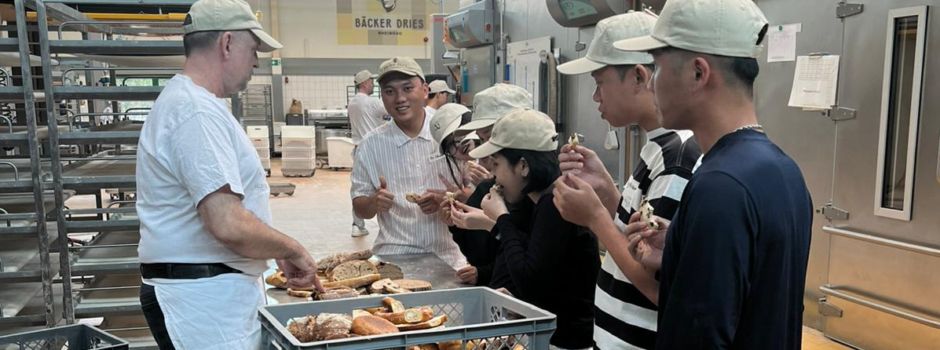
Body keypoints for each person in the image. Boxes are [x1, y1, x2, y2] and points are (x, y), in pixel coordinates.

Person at [614, 0, 812, 348]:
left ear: (698, 73)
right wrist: (679, 249)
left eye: (657, 67)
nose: (651, 84)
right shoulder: (783, 171)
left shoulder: (719, 187)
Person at [135, 0, 323, 349]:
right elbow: (227, 222)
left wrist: (269, 250)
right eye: (253, 50)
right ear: (226, 43)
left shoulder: (194, 103)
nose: (256, 61)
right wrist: (292, 248)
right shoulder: (195, 111)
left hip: (207, 292)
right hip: (202, 301)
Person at [552, 12, 701, 349]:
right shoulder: (657, 147)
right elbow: (640, 240)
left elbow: (657, 284)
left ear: (638, 76)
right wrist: (606, 190)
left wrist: (596, 218)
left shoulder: (677, 157)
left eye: (599, 82)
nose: (595, 97)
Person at [473, 109, 600, 350]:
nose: (493, 175)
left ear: (523, 166)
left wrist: (501, 218)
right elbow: (545, 274)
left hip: (567, 343)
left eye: (497, 164)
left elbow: (529, 280)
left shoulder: (554, 203)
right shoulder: (544, 200)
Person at [350, 56, 469, 269]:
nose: (400, 98)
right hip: (393, 256)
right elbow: (360, 209)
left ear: (424, 90)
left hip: (450, 255)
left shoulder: (450, 134)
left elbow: (477, 195)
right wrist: (373, 202)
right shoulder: (370, 146)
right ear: (382, 97)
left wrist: (448, 198)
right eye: (389, 91)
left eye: (407, 88)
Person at [441, 84, 535, 288]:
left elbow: (536, 270)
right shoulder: (491, 189)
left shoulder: (547, 196)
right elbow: (483, 255)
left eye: (491, 138)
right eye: (482, 139)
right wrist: (458, 224)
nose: (484, 152)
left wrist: (495, 223)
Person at [348, 69, 389, 237]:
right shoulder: (372, 102)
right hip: (375, 149)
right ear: (365, 83)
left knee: (359, 189)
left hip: (358, 149)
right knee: (384, 187)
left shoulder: (352, 103)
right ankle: (389, 226)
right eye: (371, 81)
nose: (373, 84)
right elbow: (392, 112)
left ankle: (357, 225)